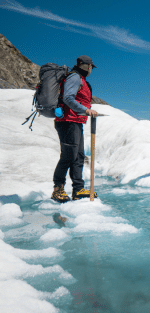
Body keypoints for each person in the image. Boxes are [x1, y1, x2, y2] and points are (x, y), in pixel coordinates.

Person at [51, 55, 99, 203]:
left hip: (75, 122)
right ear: (86, 66)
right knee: (68, 155)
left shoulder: (81, 80)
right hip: (67, 121)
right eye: (91, 67)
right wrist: (85, 110)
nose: (91, 70)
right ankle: (58, 188)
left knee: (78, 156)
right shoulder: (75, 77)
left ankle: (78, 189)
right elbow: (68, 98)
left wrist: (84, 112)